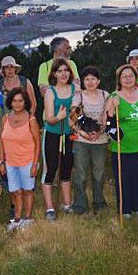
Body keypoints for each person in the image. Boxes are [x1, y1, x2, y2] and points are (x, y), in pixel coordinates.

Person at [106, 64, 138, 217]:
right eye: (124, 76)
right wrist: (111, 109)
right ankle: (125, 209)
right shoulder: (114, 96)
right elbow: (107, 122)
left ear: (136, 77)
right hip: (121, 147)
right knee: (123, 179)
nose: (128, 78)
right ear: (119, 80)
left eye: (131, 75)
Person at [0, 88, 41, 229]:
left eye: (20, 101)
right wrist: (1, 162)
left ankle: (28, 219)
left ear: (25, 102)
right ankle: (17, 219)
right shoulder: (5, 118)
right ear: (10, 102)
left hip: (27, 161)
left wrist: (35, 164)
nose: (17, 104)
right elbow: (1, 141)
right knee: (15, 191)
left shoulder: (31, 119)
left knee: (27, 191)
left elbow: (37, 142)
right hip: (10, 162)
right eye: (14, 101)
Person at [70, 66, 109, 215]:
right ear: (83, 81)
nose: (90, 82)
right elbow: (72, 120)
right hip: (81, 140)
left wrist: (100, 132)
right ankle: (80, 205)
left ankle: (99, 203)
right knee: (80, 173)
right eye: (87, 79)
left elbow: (109, 118)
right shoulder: (78, 97)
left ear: (98, 80)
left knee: (99, 173)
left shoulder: (106, 95)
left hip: (101, 140)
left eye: (93, 78)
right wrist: (83, 134)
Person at [42, 58, 77, 219]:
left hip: (70, 135)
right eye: (60, 71)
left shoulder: (75, 89)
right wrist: (59, 116)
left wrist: (74, 117)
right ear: (54, 74)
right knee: (51, 169)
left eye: (66, 70)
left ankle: (67, 204)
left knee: (67, 168)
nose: (64, 73)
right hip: (53, 134)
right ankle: (50, 209)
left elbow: (79, 111)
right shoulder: (50, 92)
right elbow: (49, 118)